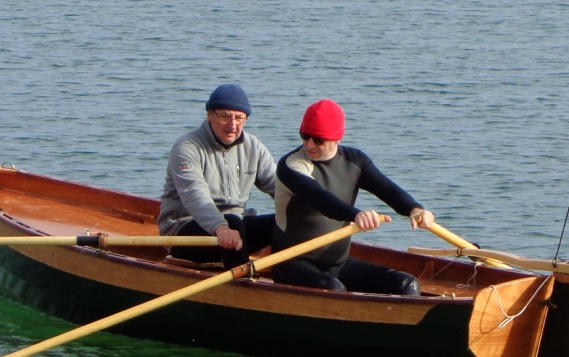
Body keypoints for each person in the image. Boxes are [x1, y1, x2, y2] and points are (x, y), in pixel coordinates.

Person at [271, 99, 434, 296]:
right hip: (291, 263)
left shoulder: (355, 161)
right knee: (333, 289)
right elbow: (320, 199)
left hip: (337, 263)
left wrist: (414, 209)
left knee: (406, 284)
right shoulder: (291, 165)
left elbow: (386, 189)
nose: (309, 144)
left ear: (337, 138)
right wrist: (356, 215)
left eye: (318, 139)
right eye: (304, 136)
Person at [158, 84, 277, 268]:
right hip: (186, 230)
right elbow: (195, 196)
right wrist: (220, 227)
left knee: (285, 222)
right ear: (209, 115)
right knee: (232, 222)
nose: (232, 125)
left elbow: (280, 186)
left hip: (236, 231)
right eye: (224, 116)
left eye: (239, 118)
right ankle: (241, 288)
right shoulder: (187, 147)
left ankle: (287, 281)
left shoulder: (253, 147)